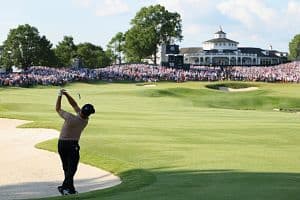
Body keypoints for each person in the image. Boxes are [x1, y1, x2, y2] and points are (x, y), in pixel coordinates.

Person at [55, 89, 95, 195]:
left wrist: (61, 95)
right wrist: (66, 95)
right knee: (72, 168)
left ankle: (69, 188)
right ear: (89, 114)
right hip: (72, 145)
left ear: (81, 110)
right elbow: (74, 105)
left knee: (67, 167)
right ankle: (65, 187)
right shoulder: (85, 120)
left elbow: (58, 109)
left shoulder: (69, 117)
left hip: (61, 144)